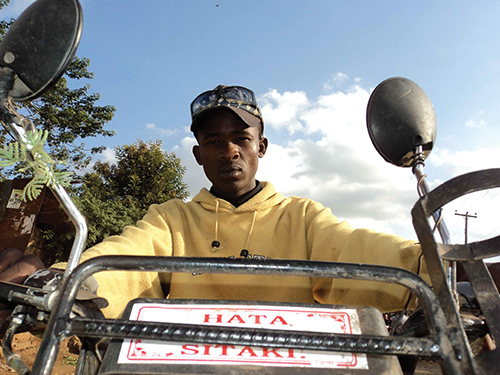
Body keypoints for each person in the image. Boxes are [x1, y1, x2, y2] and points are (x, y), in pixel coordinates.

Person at [0, 85, 432, 320]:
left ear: (260, 147)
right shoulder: (172, 220)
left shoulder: (304, 217)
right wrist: (62, 281)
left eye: (241, 138)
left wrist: (441, 268)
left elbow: (355, 250)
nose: (229, 152)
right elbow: (123, 258)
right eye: (213, 141)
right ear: (198, 155)